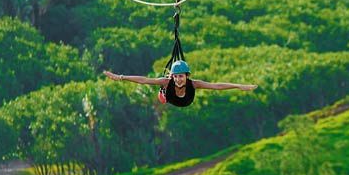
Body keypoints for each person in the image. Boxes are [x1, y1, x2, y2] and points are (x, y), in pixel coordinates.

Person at [103, 60, 257, 107]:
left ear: (187, 76)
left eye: (181, 76)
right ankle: (162, 94)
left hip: (186, 101)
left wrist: (238, 86)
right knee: (162, 93)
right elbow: (144, 80)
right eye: (176, 77)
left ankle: (164, 95)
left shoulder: (193, 84)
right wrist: (121, 77)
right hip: (170, 98)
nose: (178, 79)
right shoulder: (167, 81)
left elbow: (216, 86)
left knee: (167, 92)